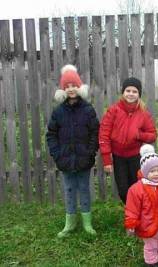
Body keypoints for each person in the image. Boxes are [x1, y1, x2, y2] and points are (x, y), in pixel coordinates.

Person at [46, 64, 99, 238]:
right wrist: (57, 154)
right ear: (63, 89)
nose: (71, 89)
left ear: (79, 87)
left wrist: (90, 152)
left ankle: (87, 222)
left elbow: (95, 133)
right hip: (65, 160)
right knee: (69, 190)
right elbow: (51, 134)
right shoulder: (58, 112)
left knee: (84, 189)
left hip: (84, 159)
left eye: (73, 85)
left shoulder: (88, 110)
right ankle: (69, 223)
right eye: (67, 86)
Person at [99, 77, 157, 204]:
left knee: (137, 187)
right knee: (123, 191)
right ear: (123, 92)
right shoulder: (113, 110)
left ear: (139, 94)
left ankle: (140, 217)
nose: (131, 94)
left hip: (135, 156)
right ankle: (131, 213)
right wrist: (106, 160)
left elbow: (153, 135)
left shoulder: (143, 113)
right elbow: (104, 134)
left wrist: (139, 135)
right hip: (118, 157)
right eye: (128, 90)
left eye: (134, 91)